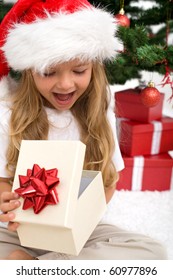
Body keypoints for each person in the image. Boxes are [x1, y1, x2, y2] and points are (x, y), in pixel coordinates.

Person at [0, 0, 167, 260]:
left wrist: (76, 222)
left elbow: (108, 180)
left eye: (79, 70)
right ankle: (53, 267)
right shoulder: (9, 114)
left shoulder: (100, 111)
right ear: (31, 71)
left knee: (153, 252)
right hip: (20, 230)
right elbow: (3, 182)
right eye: (48, 72)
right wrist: (7, 201)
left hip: (80, 231)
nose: (65, 84)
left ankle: (36, 266)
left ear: (93, 67)